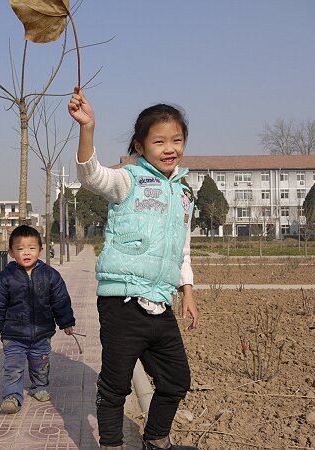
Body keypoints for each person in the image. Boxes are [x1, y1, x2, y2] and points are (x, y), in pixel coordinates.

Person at [68, 87, 199, 450]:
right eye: (159, 141)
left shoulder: (183, 194)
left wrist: (187, 291)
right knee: (115, 385)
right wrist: (88, 128)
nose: (170, 148)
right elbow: (91, 176)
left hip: (160, 301)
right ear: (140, 147)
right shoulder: (128, 181)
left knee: (176, 380)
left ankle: (156, 440)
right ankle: (111, 445)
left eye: (177, 139)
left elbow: (182, 248)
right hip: (122, 302)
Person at [0, 225, 76, 414]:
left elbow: (60, 300)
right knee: (13, 366)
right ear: (11, 252)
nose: (26, 252)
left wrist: (66, 322)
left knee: (40, 363)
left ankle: (39, 386)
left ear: (40, 250)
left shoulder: (50, 275)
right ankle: (11, 396)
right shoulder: (3, 279)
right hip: (13, 334)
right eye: (20, 248)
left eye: (31, 248)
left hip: (42, 332)